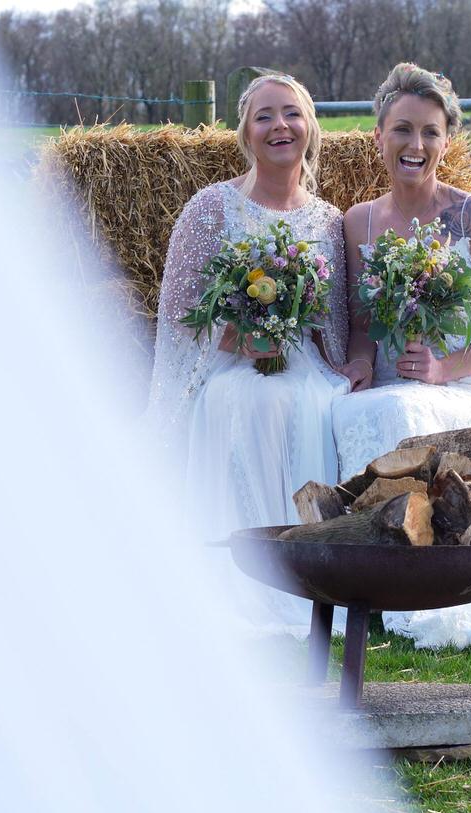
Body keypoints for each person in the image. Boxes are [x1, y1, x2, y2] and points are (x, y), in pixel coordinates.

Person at [145, 73, 350, 626]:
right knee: (244, 398)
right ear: (246, 132)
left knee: (312, 403)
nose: (279, 126)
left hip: (300, 363)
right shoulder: (212, 208)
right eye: (264, 116)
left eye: (291, 113)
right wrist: (242, 337)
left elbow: (333, 318)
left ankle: (308, 569)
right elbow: (182, 308)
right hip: (227, 361)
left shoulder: (328, 221)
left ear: (309, 127)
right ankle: (242, 571)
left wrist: (348, 366)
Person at [331, 63, 471, 478]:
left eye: (430, 132)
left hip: (465, 384)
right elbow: (363, 328)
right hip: (387, 384)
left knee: (403, 411)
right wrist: (362, 364)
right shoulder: (358, 222)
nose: (415, 144)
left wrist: (442, 368)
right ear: (379, 136)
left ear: (447, 141)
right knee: (338, 413)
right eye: (402, 128)